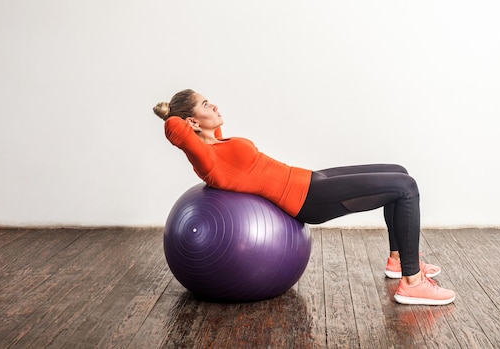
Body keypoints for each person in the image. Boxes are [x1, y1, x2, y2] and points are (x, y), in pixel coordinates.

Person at [153, 89, 456, 305]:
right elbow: (174, 129)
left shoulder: (216, 145)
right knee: (407, 187)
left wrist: (199, 117)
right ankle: (413, 283)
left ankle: (398, 260)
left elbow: (202, 133)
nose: (215, 105)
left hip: (309, 179)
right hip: (307, 199)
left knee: (398, 171)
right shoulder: (206, 158)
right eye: (206, 104)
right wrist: (170, 112)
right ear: (191, 122)